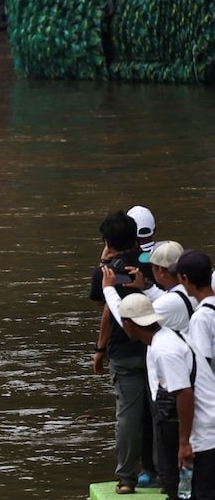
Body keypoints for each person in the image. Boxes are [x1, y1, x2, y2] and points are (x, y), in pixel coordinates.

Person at [111, 290, 215, 500]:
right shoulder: (170, 335)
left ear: (129, 324)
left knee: (195, 492)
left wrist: (184, 444)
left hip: (203, 437)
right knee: (177, 487)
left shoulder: (165, 349)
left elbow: (184, 394)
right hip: (200, 430)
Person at [92, 209, 157, 494]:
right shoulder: (150, 266)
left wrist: (100, 349)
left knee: (127, 416)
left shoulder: (105, 273)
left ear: (107, 240)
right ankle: (163, 471)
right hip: (157, 348)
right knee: (161, 413)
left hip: (123, 352)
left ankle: (126, 479)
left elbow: (108, 311)